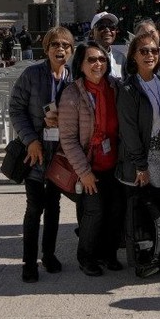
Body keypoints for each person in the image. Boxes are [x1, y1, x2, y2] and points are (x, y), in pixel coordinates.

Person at [8, 26, 74, 283]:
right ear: (46, 49)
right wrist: (31, 139)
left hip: (59, 156)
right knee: (35, 207)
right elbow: (16, 108)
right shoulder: (32, 75)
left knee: (54, 207)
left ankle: (49, 254)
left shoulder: (72, 80)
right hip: (35, 154)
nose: (60, 49)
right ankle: (29, 261)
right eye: (55, 45)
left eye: (66, 45)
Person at [59, 40, 125, 277]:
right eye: (92, 59)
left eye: (101, 59)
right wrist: (84, 172)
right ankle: (87, 256)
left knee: (115, 210)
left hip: (114, 164)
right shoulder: (72, 94)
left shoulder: (115, 88)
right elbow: (68, 139)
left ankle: (109, 254)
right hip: (89, 165)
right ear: (81, 64)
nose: (98, 64)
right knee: (94, 213)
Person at [117, 31, 160, 277]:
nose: (150, 55)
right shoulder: (129, 88)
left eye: (154, 51)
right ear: (133, 56)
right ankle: (146, 258)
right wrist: (140, 165)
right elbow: (129, 131)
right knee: (144, 212)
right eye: (143, 51)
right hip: (143, 158)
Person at [90, 11, 126, 78]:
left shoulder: (121, 58)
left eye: (111, 26)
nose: (107, 30)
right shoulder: (84, 58)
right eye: (101, 26)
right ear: (92, 33)